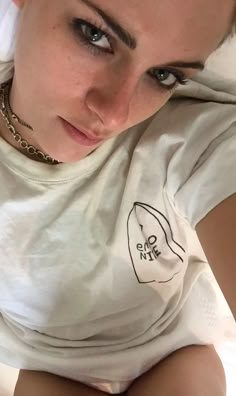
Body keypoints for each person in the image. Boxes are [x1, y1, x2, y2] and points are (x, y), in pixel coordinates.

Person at [0, 0, 235, 395]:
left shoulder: (191, 137)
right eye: (95, 35)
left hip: (173, 346)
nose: (114, 114)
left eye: (163, 74)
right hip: (49, 362)